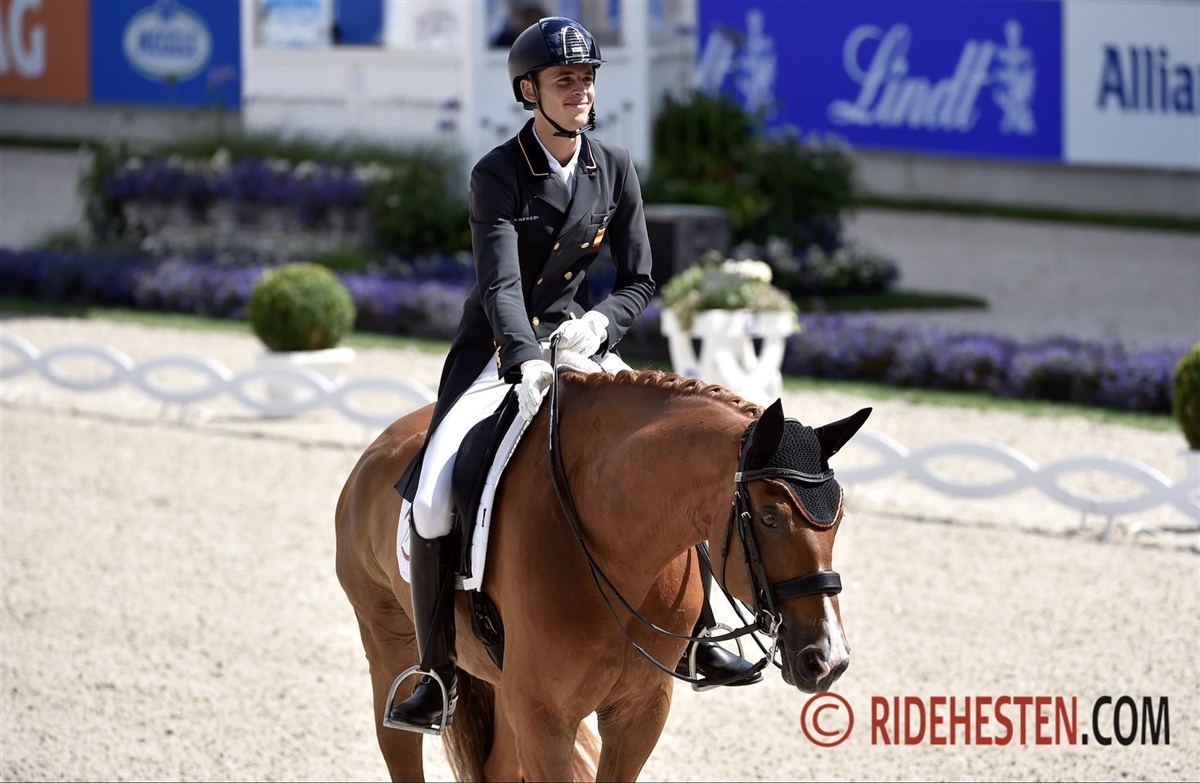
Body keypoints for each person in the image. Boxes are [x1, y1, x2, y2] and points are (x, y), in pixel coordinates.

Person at [386, 16, 760, 735]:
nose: (581, 91)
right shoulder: (498, 173)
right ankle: (435, 674)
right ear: (529, 91)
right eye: (565, 80)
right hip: (498, 351)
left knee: (669, 455)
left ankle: (702, 630)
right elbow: (499, 286)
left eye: (587, 79)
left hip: (579, 342)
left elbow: (641, 278)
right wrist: (523, 355)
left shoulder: (613, 166)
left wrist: (602, 324)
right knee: (432, 496)